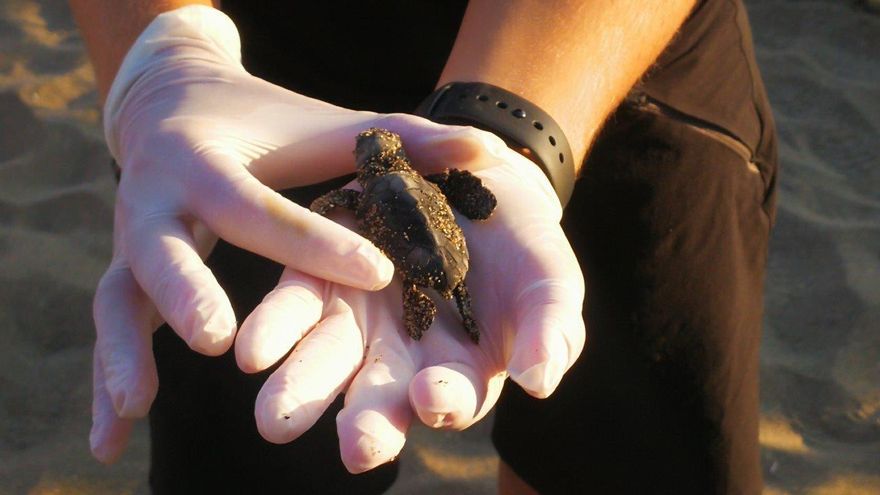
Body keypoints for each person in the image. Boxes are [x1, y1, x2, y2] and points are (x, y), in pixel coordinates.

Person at [71, 0, 777, 493]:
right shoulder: (406, 175)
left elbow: (354, 202)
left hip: (601, 45)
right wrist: (157, 60)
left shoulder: (372, 187)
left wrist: (510, 139)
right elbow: (436, 194)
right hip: (260, 82)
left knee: (621, 461)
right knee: (254, 459)